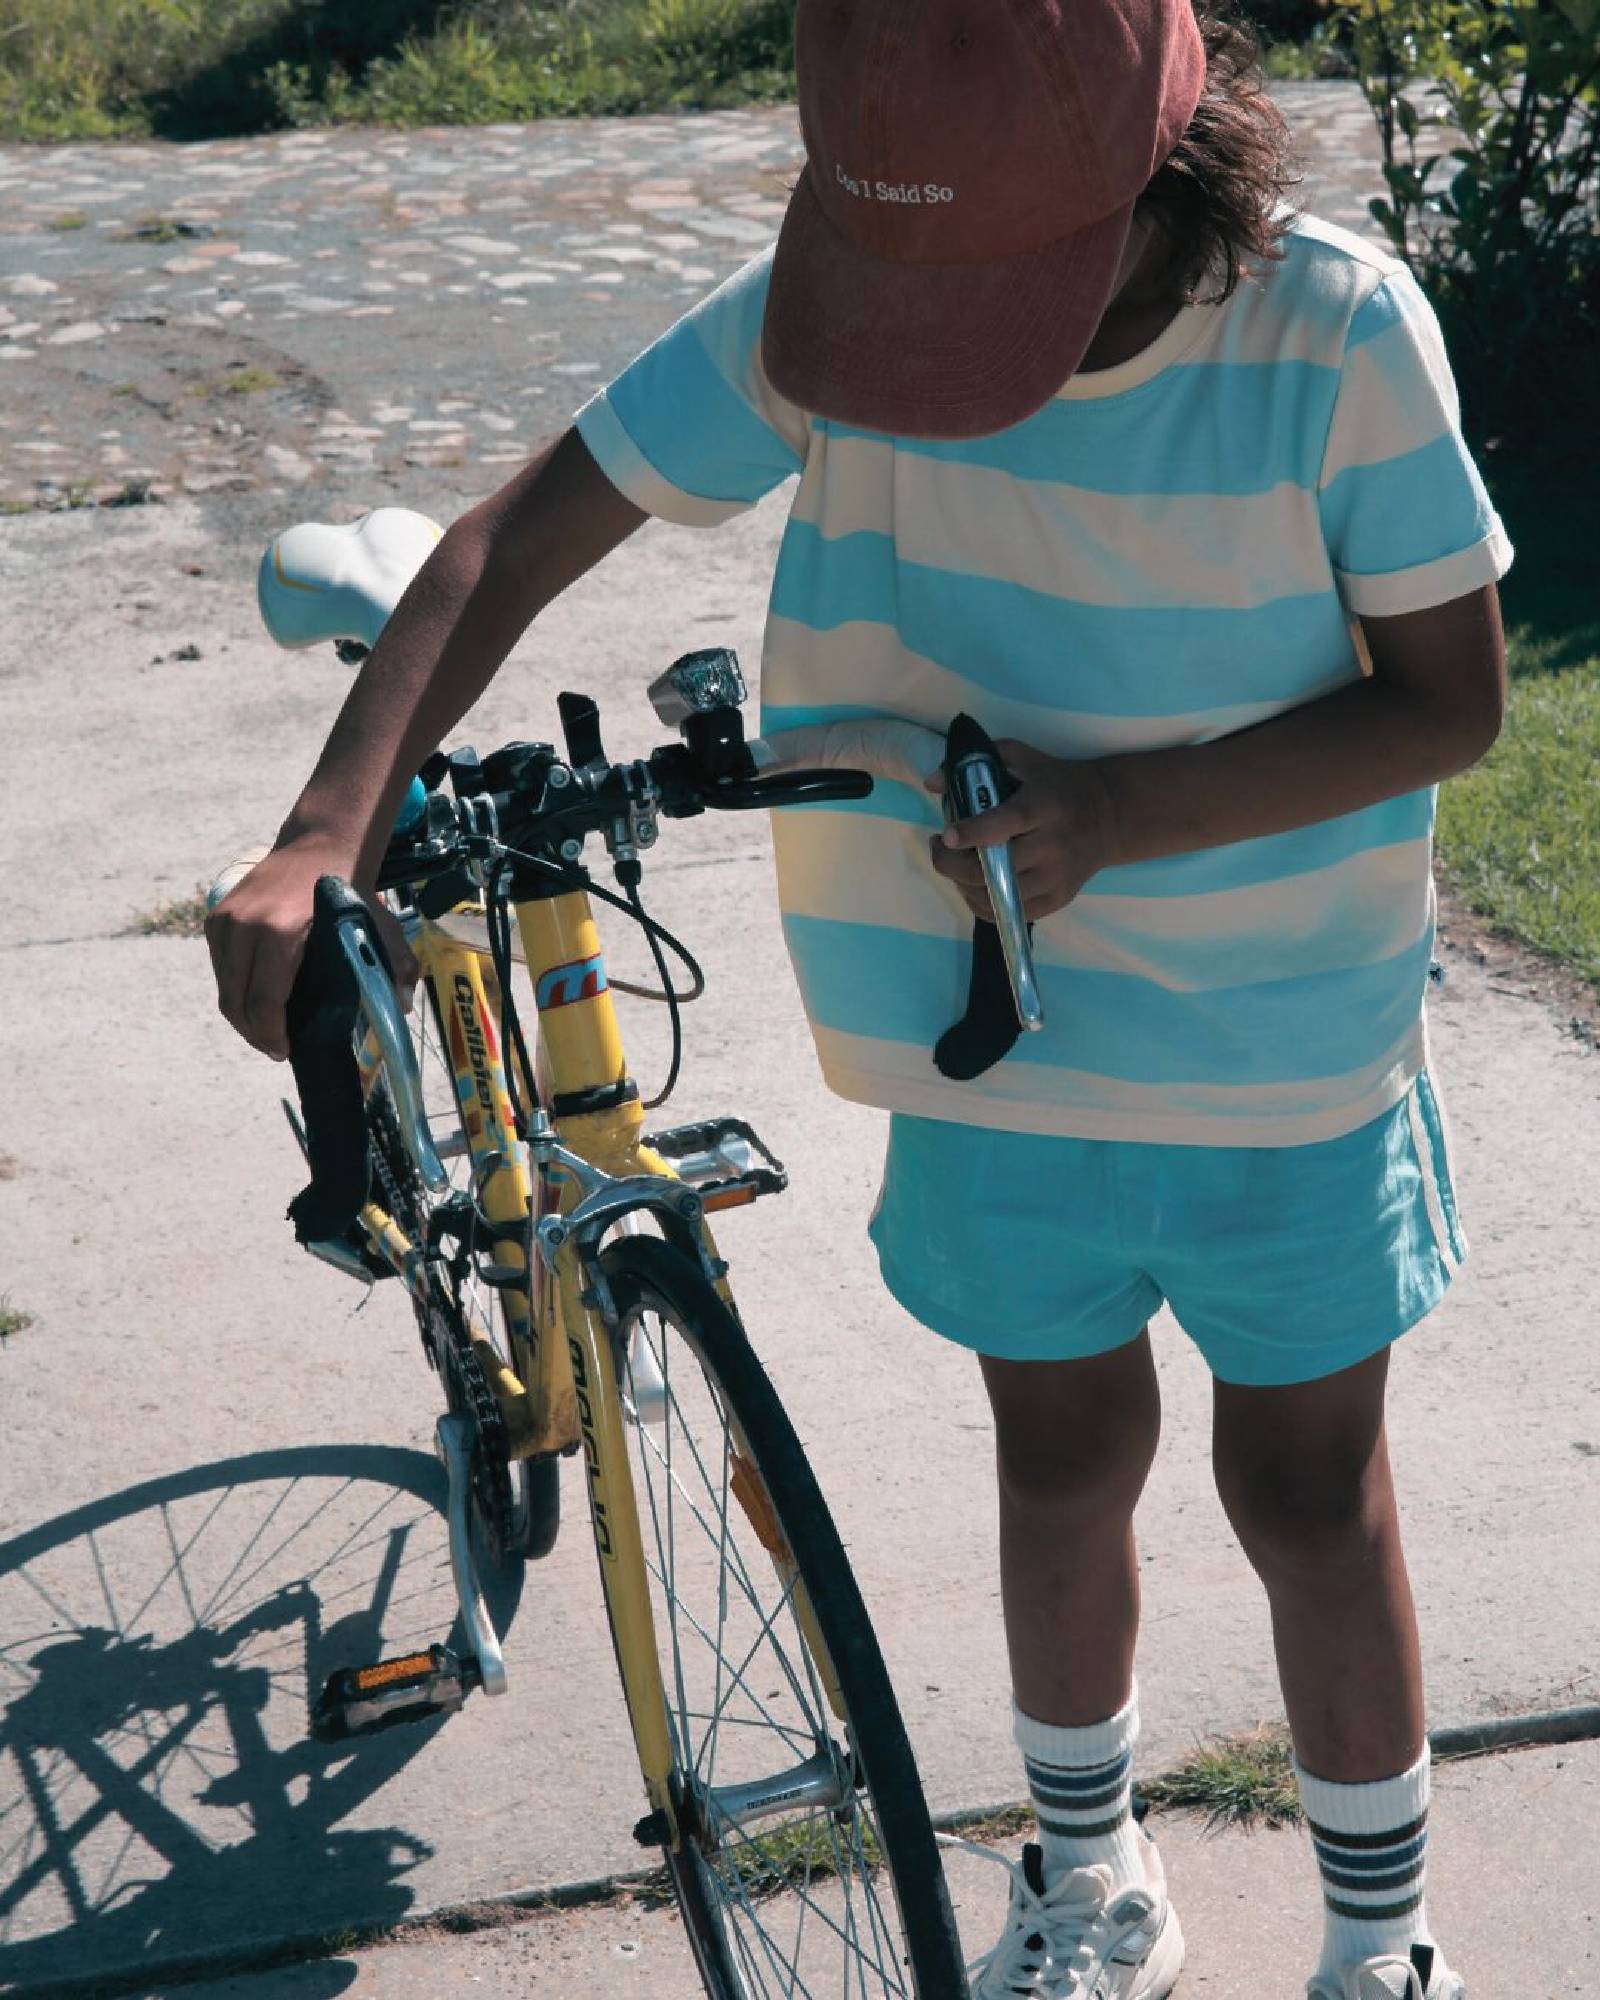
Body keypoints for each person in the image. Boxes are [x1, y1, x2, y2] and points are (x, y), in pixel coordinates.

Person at [207, 1, 1511, 1993]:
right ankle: (1088, 1884)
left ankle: (1377, 1934)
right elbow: (503, 546)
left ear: (1159, 178)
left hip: (1281, 1058)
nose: (941, 360)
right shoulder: (858, 298)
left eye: (991, 305)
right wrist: (322, 829)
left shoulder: (1331, 337)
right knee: (1057, 1457)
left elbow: (1450, 698)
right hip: (998, 1046)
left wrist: (1120, 812)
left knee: (1304, 1493)